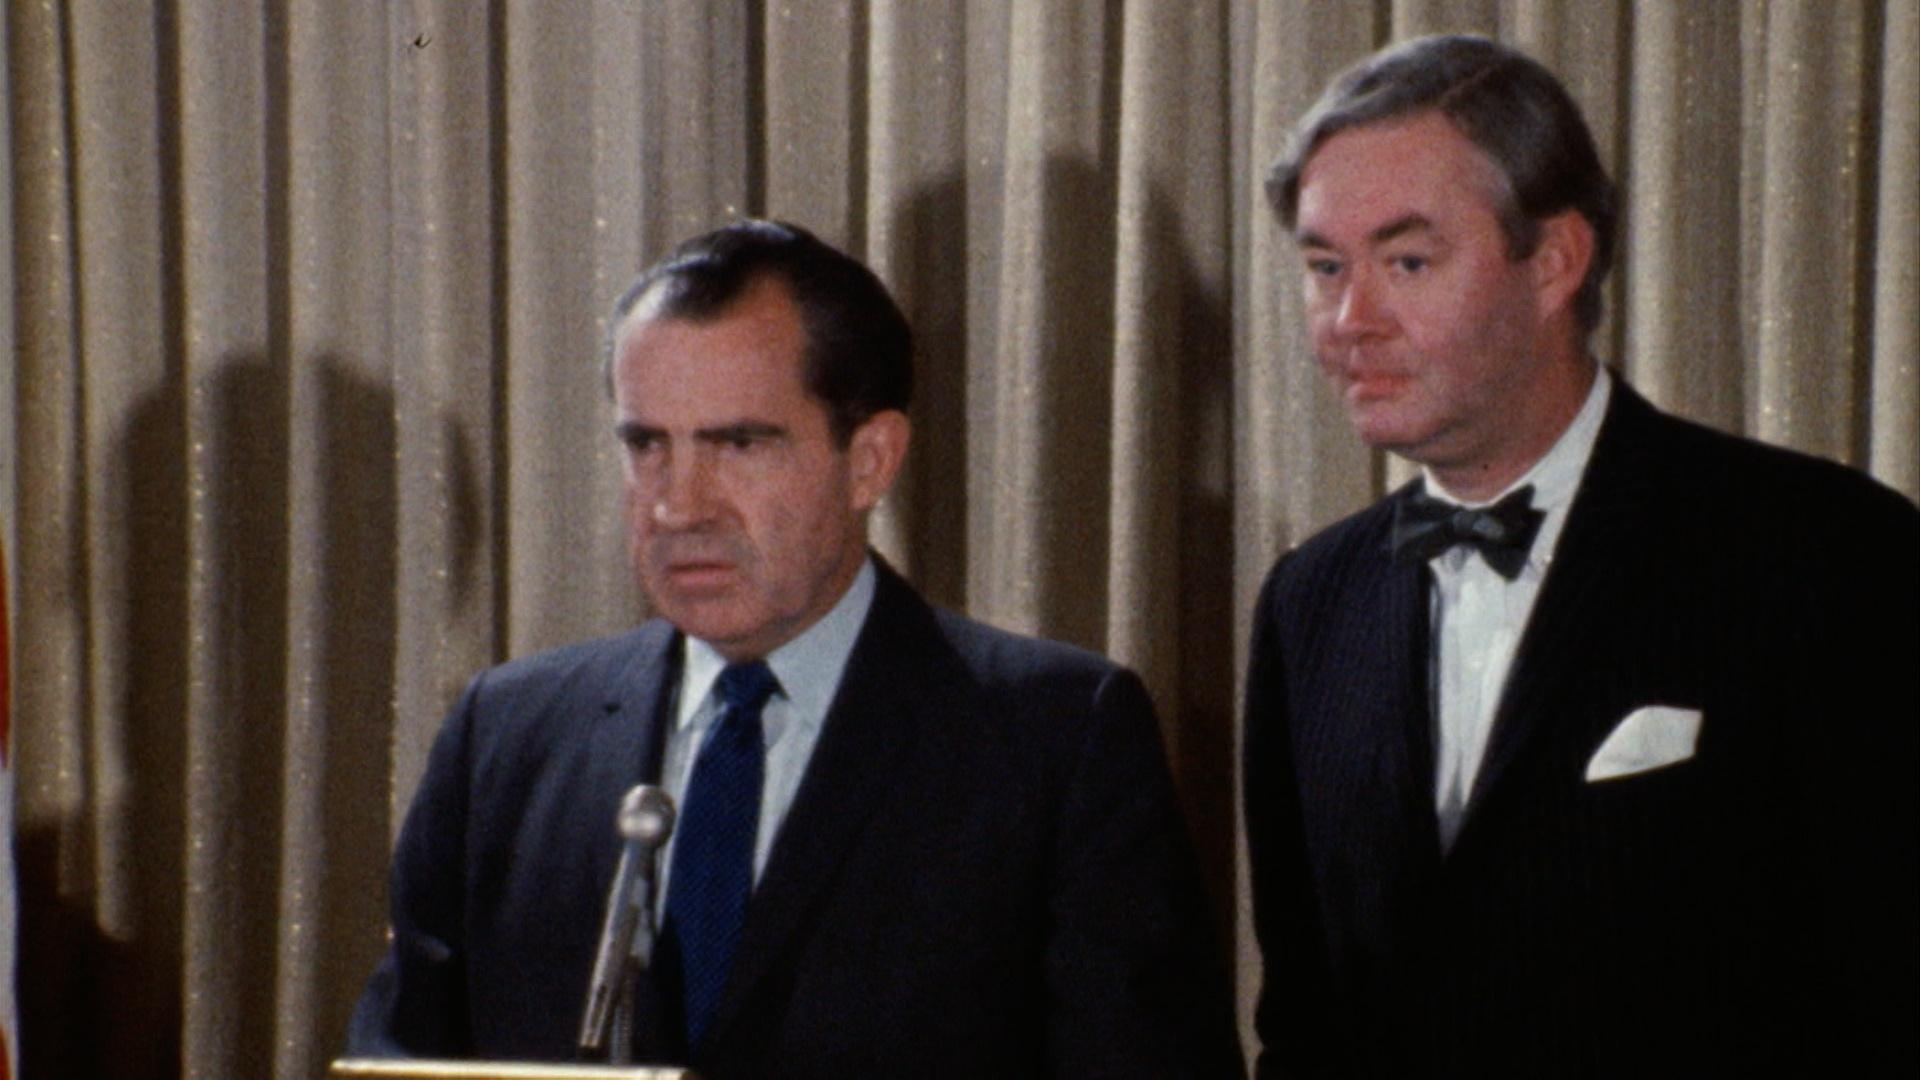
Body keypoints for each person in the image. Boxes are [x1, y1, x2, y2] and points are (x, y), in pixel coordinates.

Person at [347, 219, 1243, 1077]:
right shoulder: (504, 737)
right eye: (647, 444)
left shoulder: (1053, 742)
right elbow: (404, 1063)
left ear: (871, 460)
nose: (677, 505)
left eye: (738, 444)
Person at [1242, 34, 1917, 1078]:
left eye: (1407, 262)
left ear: (1556, 259)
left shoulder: (1823, 552)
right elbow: (1306, 1028)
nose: (1349, 321)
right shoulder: (1310, 601)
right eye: (1325, 267)